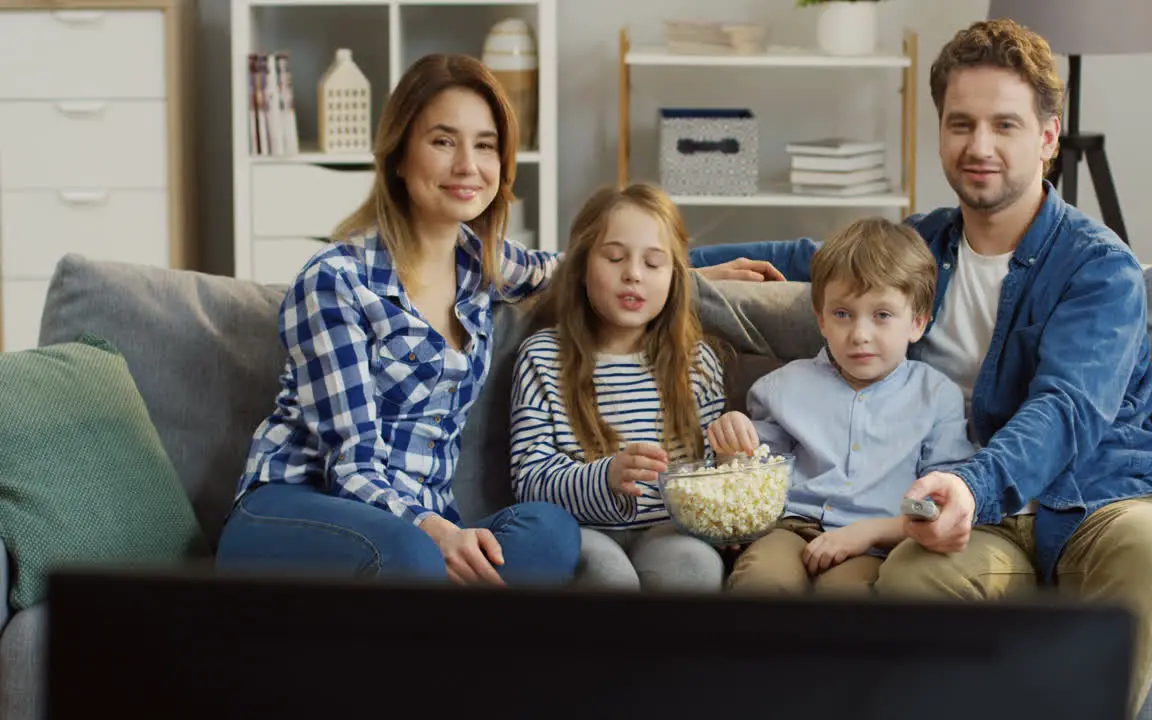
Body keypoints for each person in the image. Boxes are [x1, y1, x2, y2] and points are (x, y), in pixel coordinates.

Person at [698, 19, 1152, 718]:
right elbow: (812, 257)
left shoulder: (1098, 266)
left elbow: (1068, 409)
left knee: (1148, 547)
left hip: (1098, 499)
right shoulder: (921, 245)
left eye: (1005, 125)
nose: (980, 146)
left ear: (1049, 139)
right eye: (960, 124)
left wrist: (970, 485)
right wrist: (673, 265)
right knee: (905, 584)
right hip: (973, 521)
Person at [214, 53, 777, 588]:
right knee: (410, 552)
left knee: (551, 532)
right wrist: (437, 533)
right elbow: (351, 466)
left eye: (485, 146)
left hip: (424, 529)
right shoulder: (336, 280)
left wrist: (695, 270)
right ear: (399, 155)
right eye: (442, 141)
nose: (468, 166)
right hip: (306, 508)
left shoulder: (482, 263)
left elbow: (587, 265)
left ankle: (436, 610)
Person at [706, 217, 975, 595]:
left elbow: (942, 501)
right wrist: (732, 445)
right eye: (843, 314)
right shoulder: (782, 386)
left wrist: (877, 533)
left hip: (877, 540)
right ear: (821, 320)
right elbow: (753, 479)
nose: (860, 335)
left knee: (847, 597)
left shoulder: (936, 396)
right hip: (790, 527)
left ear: (917, 322)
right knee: (762, 581)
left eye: (882, 315)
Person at [510, 183, 727, 591]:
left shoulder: (697, 363)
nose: (633, 274)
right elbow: (529, 482)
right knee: (608, 577)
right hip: (581, 528)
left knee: (696, 564)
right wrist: (606, 476)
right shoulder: (542, 357)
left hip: (667, 530)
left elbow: (711, 479)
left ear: (674, 278)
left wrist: (731, 458)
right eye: (614, 257)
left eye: (654, 263)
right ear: (580, 267)